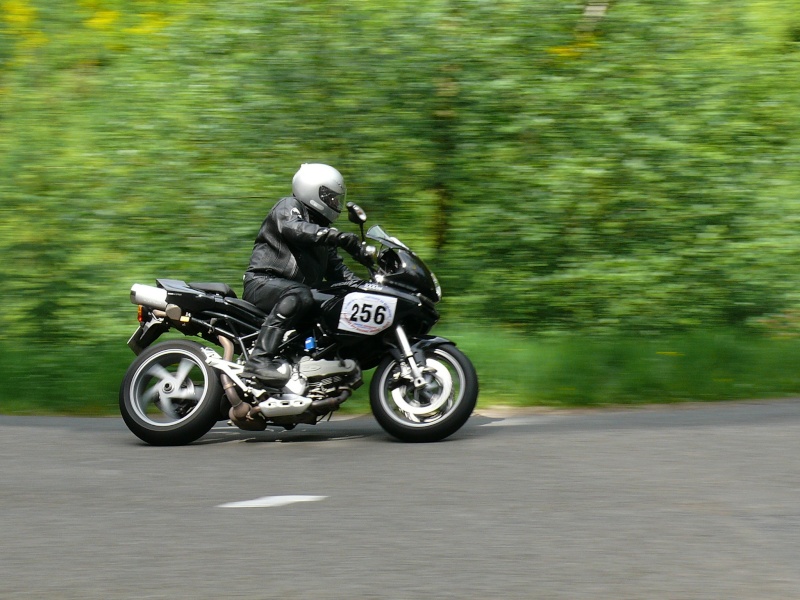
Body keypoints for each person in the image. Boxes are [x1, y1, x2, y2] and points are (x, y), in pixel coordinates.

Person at [241, 163, 363, 385]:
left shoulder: (322, 233)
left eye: (337, 199)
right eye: (331, 197)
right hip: (263, 283)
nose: (336, 203)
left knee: (335, 302)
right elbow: (295, 229)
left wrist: (369, 289)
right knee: (301, 294)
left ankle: (306, 363)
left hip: (293, 293)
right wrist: (336, 235)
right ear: (314, 190)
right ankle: (257, 361)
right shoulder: (289, 206)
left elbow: (340, 274)